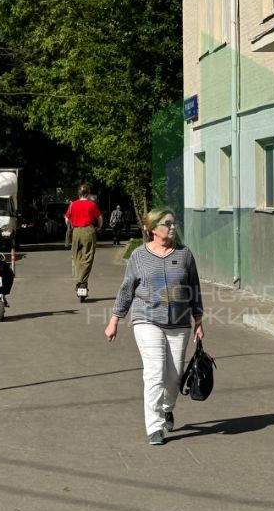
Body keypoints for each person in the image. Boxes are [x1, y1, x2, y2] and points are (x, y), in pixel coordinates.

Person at [106, 208, 205, 446]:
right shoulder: (139, 256)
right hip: (146, 319)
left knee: (174, 378)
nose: (173, 227)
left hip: (179, 323)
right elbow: (127, 289)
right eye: (167, 224)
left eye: (174, 223)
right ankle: (154, 427)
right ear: (152, 229)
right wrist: (115, 319)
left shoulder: (184, 254)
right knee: (154, 372)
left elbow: (194, 288)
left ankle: (166, 408)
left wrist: (198, 320)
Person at [65, 184, 103, 301]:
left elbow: (66, 218)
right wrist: (98, 227)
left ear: (79, 193)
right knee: (88, 257)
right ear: (88, 194)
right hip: (88, 231)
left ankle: (79, 281)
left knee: (76, 257)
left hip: (76, 232)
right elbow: (100, 218)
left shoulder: (73, 204)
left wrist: (71, 226)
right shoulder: (92, 204)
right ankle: (82, 281)